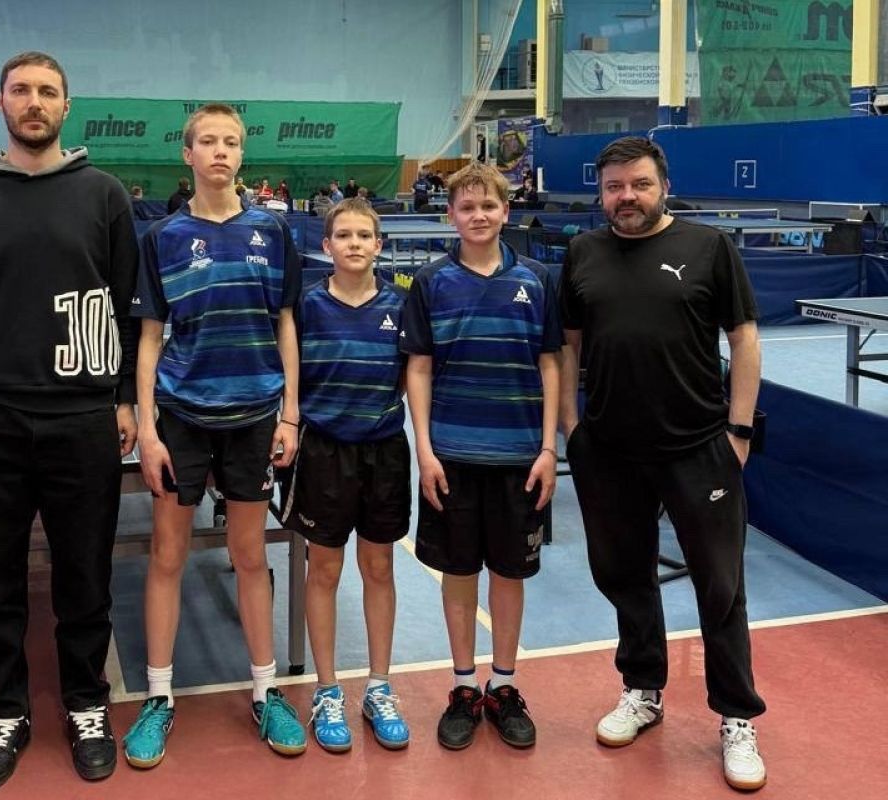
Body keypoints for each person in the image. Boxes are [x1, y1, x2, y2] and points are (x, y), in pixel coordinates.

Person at [0, 51, 138, 790]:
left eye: (47, 91)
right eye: (21, 90)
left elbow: (126, 309)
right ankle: (7, 710)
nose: (34, 102)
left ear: (66, 106)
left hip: (82, 419)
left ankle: (86, 703)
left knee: (85, 575)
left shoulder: (104, 195)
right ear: (1, 102)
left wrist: (124, 399)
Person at [558, 136, 766, 792]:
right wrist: (571, 428)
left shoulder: (710, 247)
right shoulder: (583, 252)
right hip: (609, 450)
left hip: (699, 448)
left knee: (720, 586)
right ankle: (642, 689)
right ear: (601, 193)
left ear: (663, 185)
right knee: (625, 576)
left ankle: (736, 716)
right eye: (614, 187)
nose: (627, 197)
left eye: (639, 184)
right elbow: (568, 346)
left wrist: (738, 432)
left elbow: (744, 337)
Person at [123, 102, 306, 768]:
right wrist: (148, 428)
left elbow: (286, 324)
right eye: (208, 141)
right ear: (188, 154)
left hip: (254, 417)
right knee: (168, 554)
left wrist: (291, 413)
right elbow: (149, 338)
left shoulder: (273, 232)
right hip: (182, 416)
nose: (221, 151)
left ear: (242, 154)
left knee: (250, 555)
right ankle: (159, 697)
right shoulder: (163, 238)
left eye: (231, 141)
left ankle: (265, 691)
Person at [400, 160, 561, 752]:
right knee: (459, 570)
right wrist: (425, 450)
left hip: (520, 458)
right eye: (467, 207)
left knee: (510, 574)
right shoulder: (432, 281)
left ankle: (505, 685)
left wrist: (548, 448)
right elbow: (419, 368)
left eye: (488, 205)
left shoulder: (537, 279)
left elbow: (550, 364)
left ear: (506, 211)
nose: (479, 215)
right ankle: (465, 687)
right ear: (451, 215)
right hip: (452, 456)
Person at [283, 197, 411, 754]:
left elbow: (408, 376)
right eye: (344, 235)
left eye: (364, 235)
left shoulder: (401, 306)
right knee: (325, 570)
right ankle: (327, 689)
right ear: (326, 245)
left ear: (378, 245)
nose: (354, 243)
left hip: (383, 452)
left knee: (379, 567)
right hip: (323, 453)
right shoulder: (307, 306)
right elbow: (291, 373)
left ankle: (379, 687)